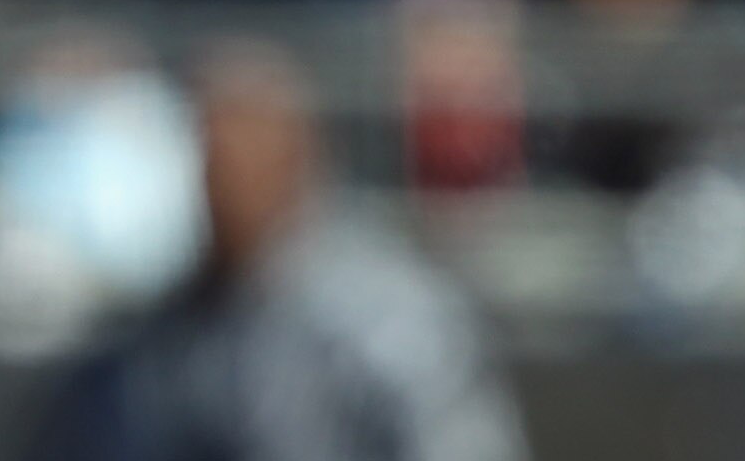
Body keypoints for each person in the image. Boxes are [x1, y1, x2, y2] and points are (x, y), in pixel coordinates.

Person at [35, 46, 525, 461]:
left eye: (244, 146)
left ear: (297, 154)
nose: (222, 174)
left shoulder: (389, 317)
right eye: (209, 149)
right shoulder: (172, 331)